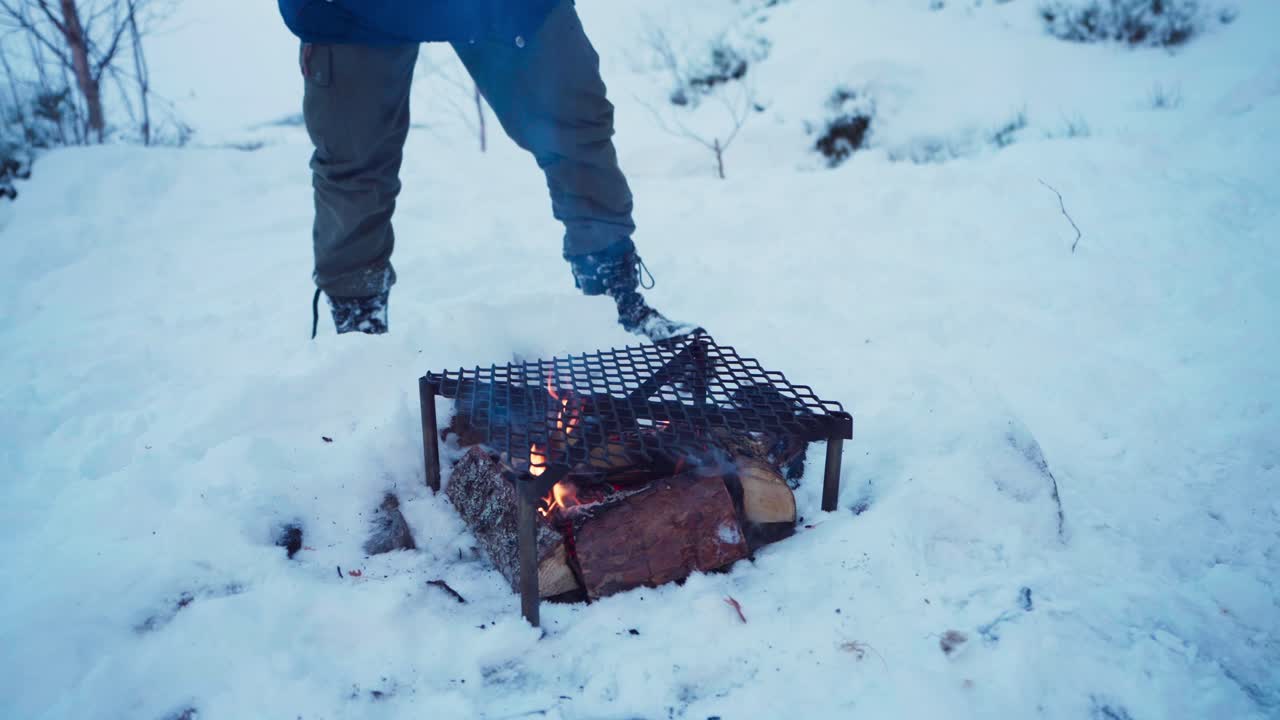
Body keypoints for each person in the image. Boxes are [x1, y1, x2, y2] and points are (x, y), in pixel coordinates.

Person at [277, 0, 695, 341]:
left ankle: (614, 303)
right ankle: (358, 336)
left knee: (574, 131)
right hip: (354, 12)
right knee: (354, 167)